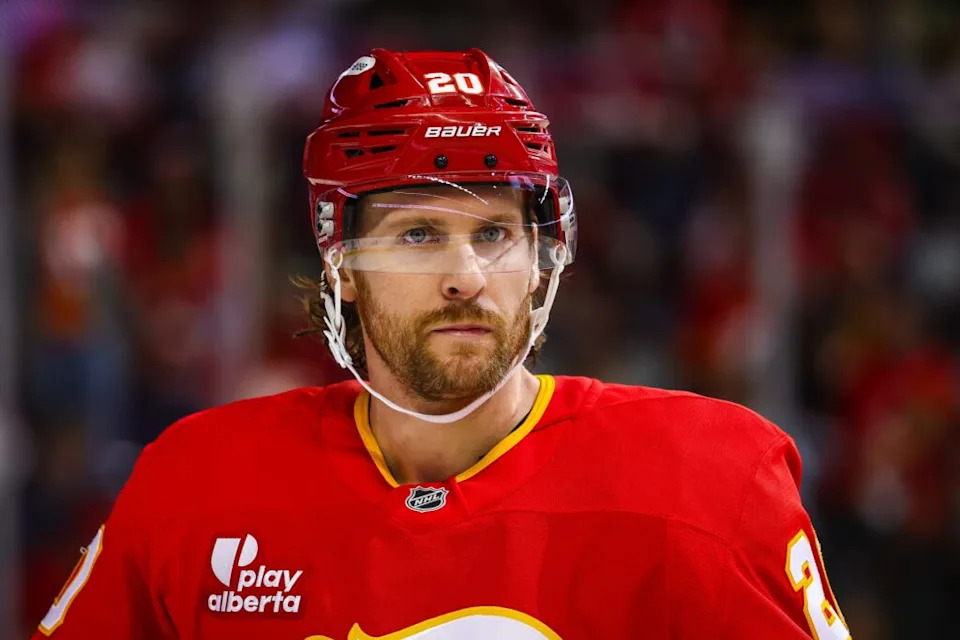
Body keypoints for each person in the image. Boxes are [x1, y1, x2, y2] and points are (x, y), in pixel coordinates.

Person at [33, 49, 851, 640]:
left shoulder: (711, 483)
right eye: (419, 233)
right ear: (340, 263)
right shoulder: (195, 484)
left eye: (495, 232)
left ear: (543, 257)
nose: (467, 275)